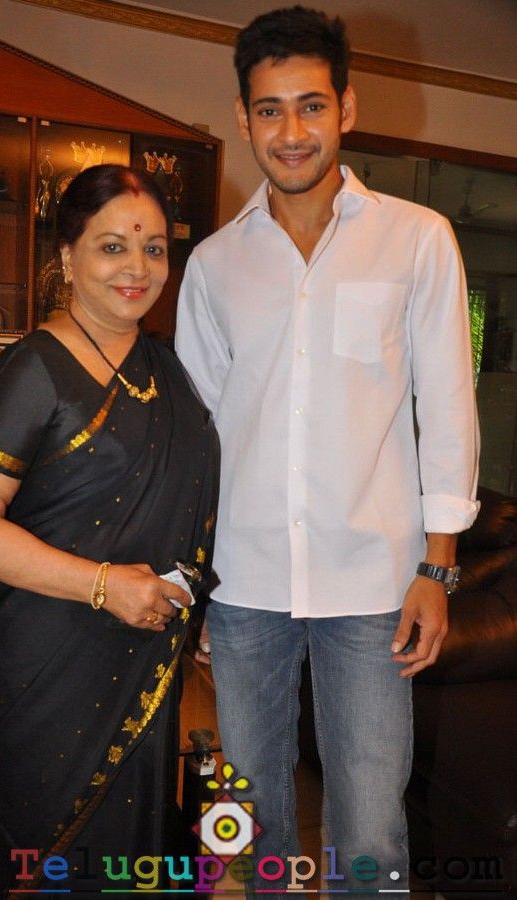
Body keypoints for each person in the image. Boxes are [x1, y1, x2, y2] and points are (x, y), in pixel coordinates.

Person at [175, 6, 479, 896]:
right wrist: (191, 581)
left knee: (372, 823)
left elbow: (448, 408)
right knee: (253, 818)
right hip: (243, 582)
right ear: (243, 119)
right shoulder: (214, 266)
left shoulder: (418, 238)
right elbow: (195, 436)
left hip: (373, 584)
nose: (292, 131)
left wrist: (439, 567)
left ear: (346, 106)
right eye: (270, 109)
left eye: (311, 105)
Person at [0, 164, 219, 898]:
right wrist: (102, 586)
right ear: (66, 255)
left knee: (124, 844)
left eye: (154, 248)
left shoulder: (166, 368)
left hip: (139, 645)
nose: (138, 268)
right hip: (41, 657)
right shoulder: (36, 368)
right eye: (112, 246)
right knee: (38, 847)